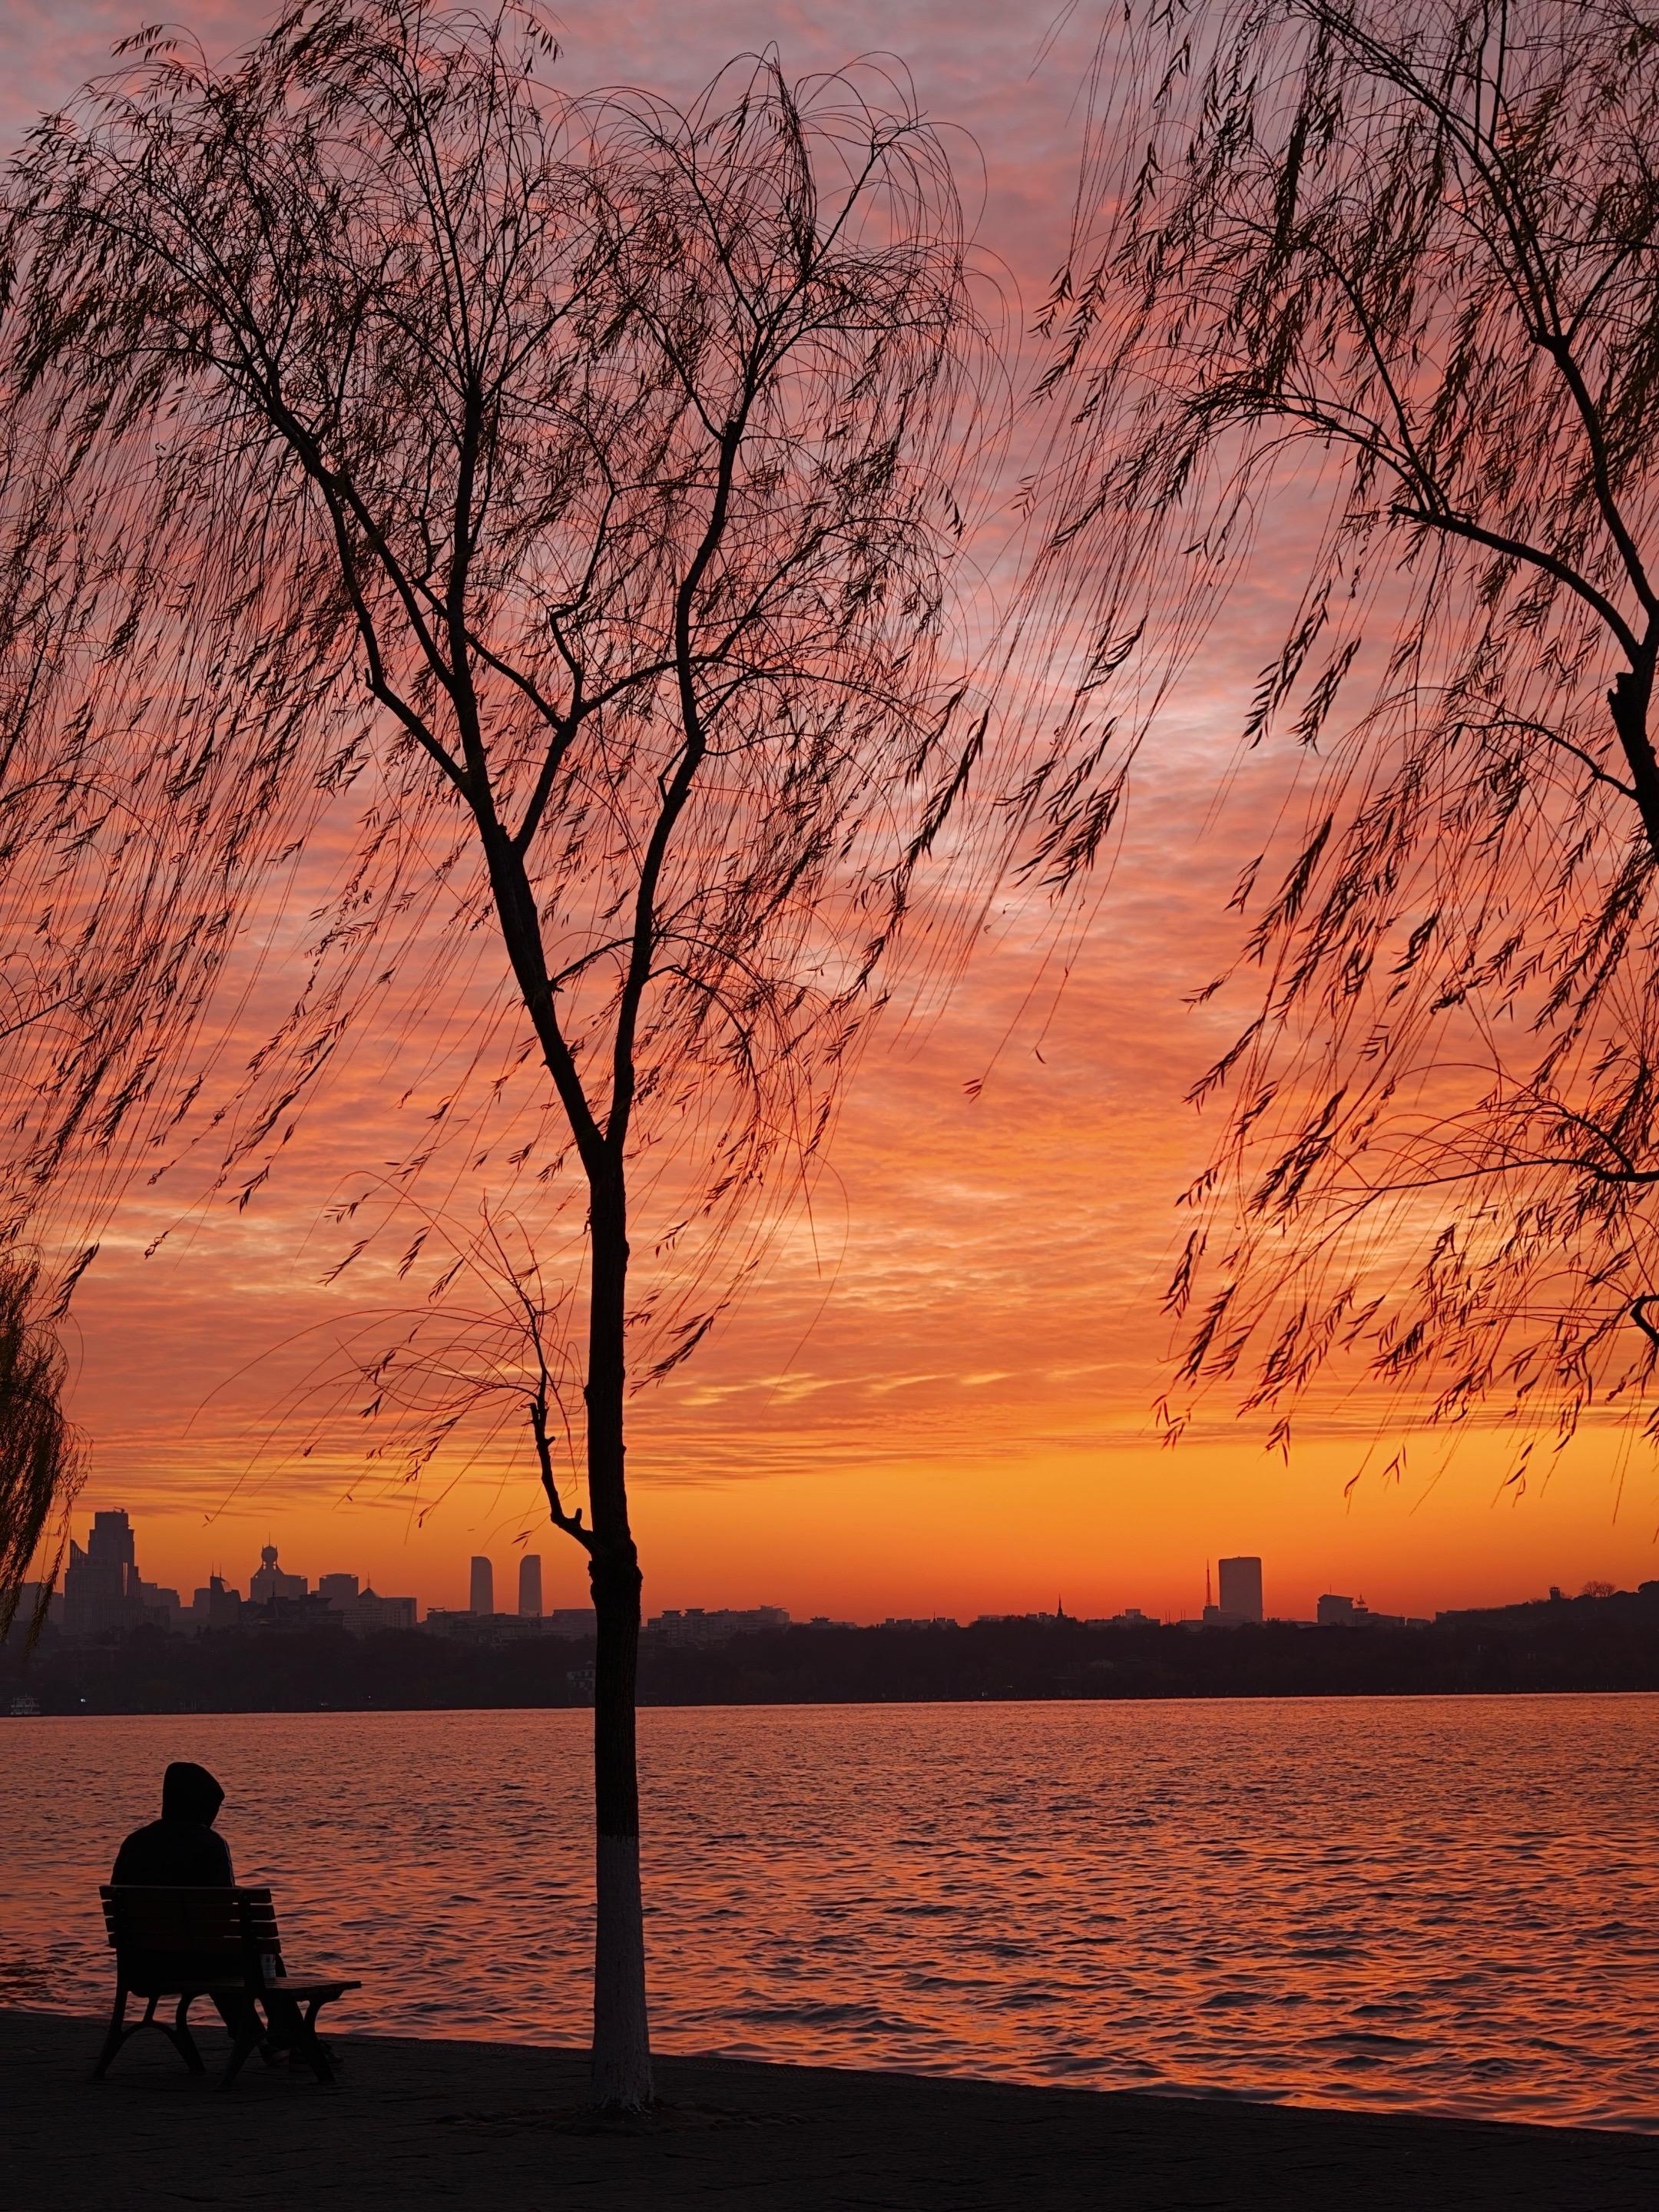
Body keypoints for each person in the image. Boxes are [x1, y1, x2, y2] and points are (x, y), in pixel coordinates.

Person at [111, 1762, 306, 2062]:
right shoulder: (209, 1844)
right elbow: (225, 1919)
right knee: (259, 1955)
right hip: (197, 1965)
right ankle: (295, 2040)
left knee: (219, 1953)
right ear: (201, 1806)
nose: (215, 1818)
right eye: (214, 1809)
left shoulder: (134, 1843)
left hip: (142, 1967)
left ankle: (253, 2033)